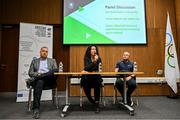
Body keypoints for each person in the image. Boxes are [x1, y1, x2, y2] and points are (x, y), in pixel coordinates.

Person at [26, 46, 58, 119]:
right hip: (39, 81)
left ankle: (40, 77)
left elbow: (55, 72)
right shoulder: (35, 61)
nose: (45, 53)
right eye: (43, 51)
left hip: (49, 80)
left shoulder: (52, 60)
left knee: (56, 70)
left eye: (46, 51)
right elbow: (30, 72)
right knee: (40, 81)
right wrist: (38, 74)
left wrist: (41, 75)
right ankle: (36, 109)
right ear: (40, 52)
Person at [81, 45, 102, 113]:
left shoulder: (99, 58)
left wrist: (88, 70)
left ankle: (97, 103)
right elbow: (86, 68)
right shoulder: (86, 58)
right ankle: (92, 101)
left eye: (95, 49)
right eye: (92, 49)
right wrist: (94, 62)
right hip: (87, 79)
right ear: (89, 51)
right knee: (84, 81)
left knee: (97, 82)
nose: (94, 50)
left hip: (95, 78)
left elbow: (98, 69)